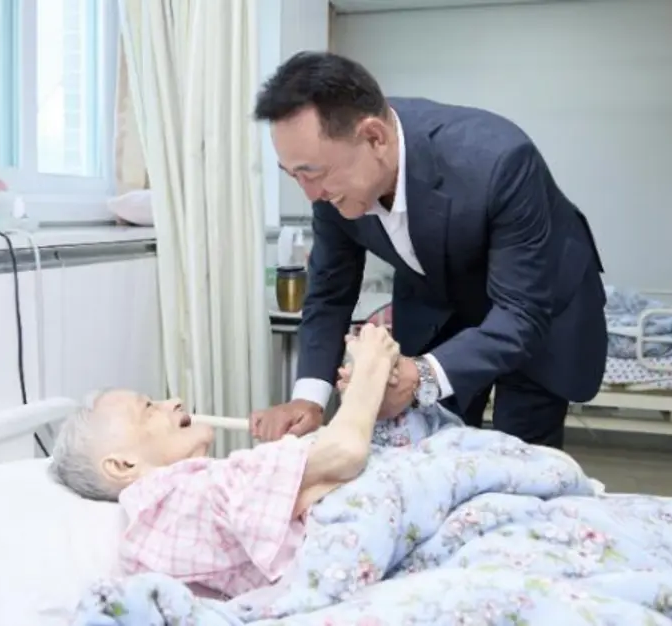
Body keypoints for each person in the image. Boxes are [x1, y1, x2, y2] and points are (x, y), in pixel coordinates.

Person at [250, 51, 607, 449]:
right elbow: (330, 292)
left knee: (518, 456)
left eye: (312, 174)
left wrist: (422, 375)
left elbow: (521, 311)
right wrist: (309, 398)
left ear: (374, 138)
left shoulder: (498, 161)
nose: (310, 194)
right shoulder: (331, 187)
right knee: (430, 446)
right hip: (441, 305)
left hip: (537, 306)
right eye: (294, 175)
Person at [50, 324, 401, 599]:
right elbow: (345, 452)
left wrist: (362, 399)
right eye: (149, 408)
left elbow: (326, 473)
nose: (173, 401)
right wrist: (372, 363)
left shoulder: (183, 507)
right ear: (122, 465)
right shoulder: (181, 498)